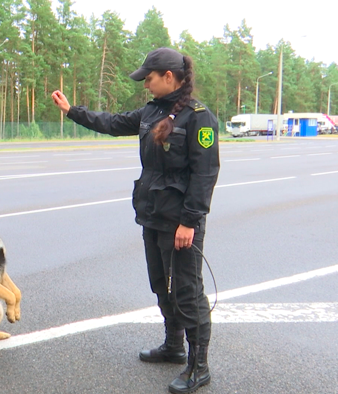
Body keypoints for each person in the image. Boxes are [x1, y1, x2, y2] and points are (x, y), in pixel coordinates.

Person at [51, 47, 220, 394]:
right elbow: (112, 123)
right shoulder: (151, 111)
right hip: (152, 215)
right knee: (161, 285)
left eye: (149, 78)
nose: (145, 84)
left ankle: (198, 366)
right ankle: (173, 346)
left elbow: (205, 175)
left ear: (169, 77)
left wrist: (190, 221)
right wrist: (72, 111)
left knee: (188, 292)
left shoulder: (198, 117)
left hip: (179, 223)